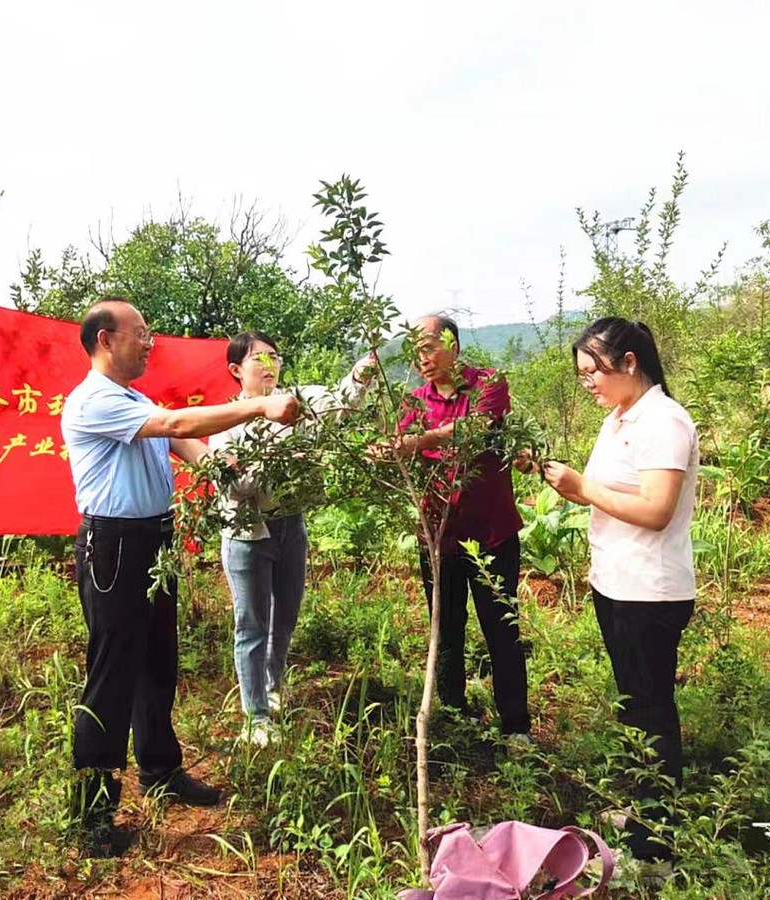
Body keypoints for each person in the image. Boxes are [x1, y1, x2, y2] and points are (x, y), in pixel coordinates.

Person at [60, 298, 300, 857]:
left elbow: (183, 442)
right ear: (104, 340)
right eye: (139, 334)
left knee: (158, 661)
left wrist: (229, 467)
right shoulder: (94, 400)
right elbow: (173, 422)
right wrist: (258, 407)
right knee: (113, 672)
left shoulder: (132, 396)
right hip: (115, 547)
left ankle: (161, 771)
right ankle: (93, 813)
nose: (149, 342)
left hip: (152, 540)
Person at [543, 317, 698, 872]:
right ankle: (642, 811)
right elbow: (610, 492)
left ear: (630, 363)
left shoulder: (664, 421)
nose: (588, 383)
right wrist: (570, 483)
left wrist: (582, 488)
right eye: (582, 373)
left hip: (649, 592)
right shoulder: (620, 418)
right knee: (634, 703)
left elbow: (656, 511)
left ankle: (656, 849)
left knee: (653, 709)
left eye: (595, 371)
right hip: (615, 582)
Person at [208, 332, 375, 747]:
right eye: (259, 358)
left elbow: (339, 402)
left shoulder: (296, 403)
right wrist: (280, 463)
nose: (269, 365)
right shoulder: (224, 423)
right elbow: (233, 485)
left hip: (290, 525)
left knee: (285, 617)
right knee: (251, 625)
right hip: (247, 531)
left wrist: (360, 374)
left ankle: (273, 685)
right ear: (236, 370)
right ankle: (256, 716)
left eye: (274, 357)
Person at [397, 315, 531, 739]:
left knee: (501, 628)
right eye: (416, 351)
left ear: (452, 344)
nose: (422, 359)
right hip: (438, 536)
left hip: (491, 533)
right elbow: (401, 452)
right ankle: (456, 718)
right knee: (445, 628)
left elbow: (476, 428)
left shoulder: (490, 383)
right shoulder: (414, 402)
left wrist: (420, 441)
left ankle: (516, 728)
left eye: (429, 347)